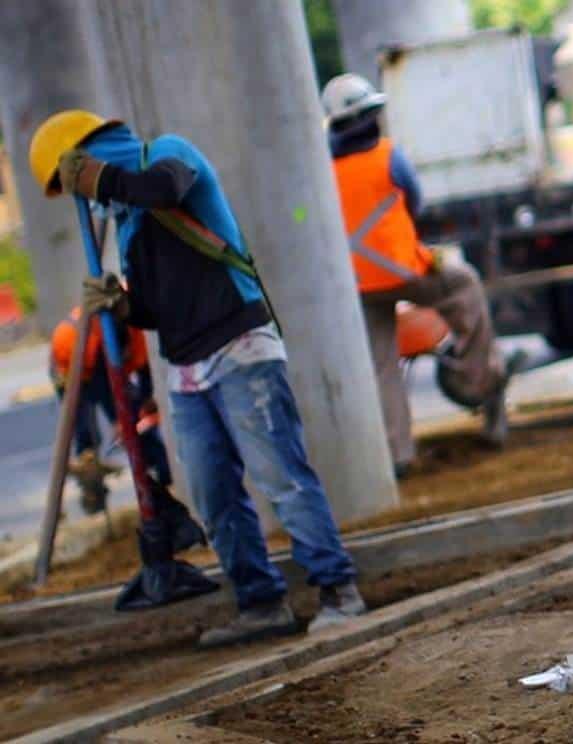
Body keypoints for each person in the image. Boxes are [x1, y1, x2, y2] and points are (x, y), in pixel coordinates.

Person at [29, 110, 367, 647]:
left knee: (281, 475)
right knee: (213, 494)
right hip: (186, 365)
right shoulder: (130, 222)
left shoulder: (168, 154)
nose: (88, 198)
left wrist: (103, 178)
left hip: (239, 345)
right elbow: (158, 307)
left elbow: (163, 188)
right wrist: (123, 307)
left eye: (78, 181)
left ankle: (338, 591)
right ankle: (259, 601)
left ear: (92, 154)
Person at [320, 73, 518, 477]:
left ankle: (398, 454)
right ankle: (479, 379)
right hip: (405, 273)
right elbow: (415, 201)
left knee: (381, 365)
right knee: (465, 285)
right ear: (371, 116)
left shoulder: (322, 170)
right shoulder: (388, 155)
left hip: (357, 286)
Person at [49, 305, 172, 513]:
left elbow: (143, 371)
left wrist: (144, 402)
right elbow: (101, 386)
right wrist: (118, 419)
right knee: (86, 432)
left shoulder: (133, 332)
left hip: (100, 366)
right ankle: (93, 492)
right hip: (70, 369)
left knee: (138, 422)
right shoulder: (90, 342)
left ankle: (162, 477)